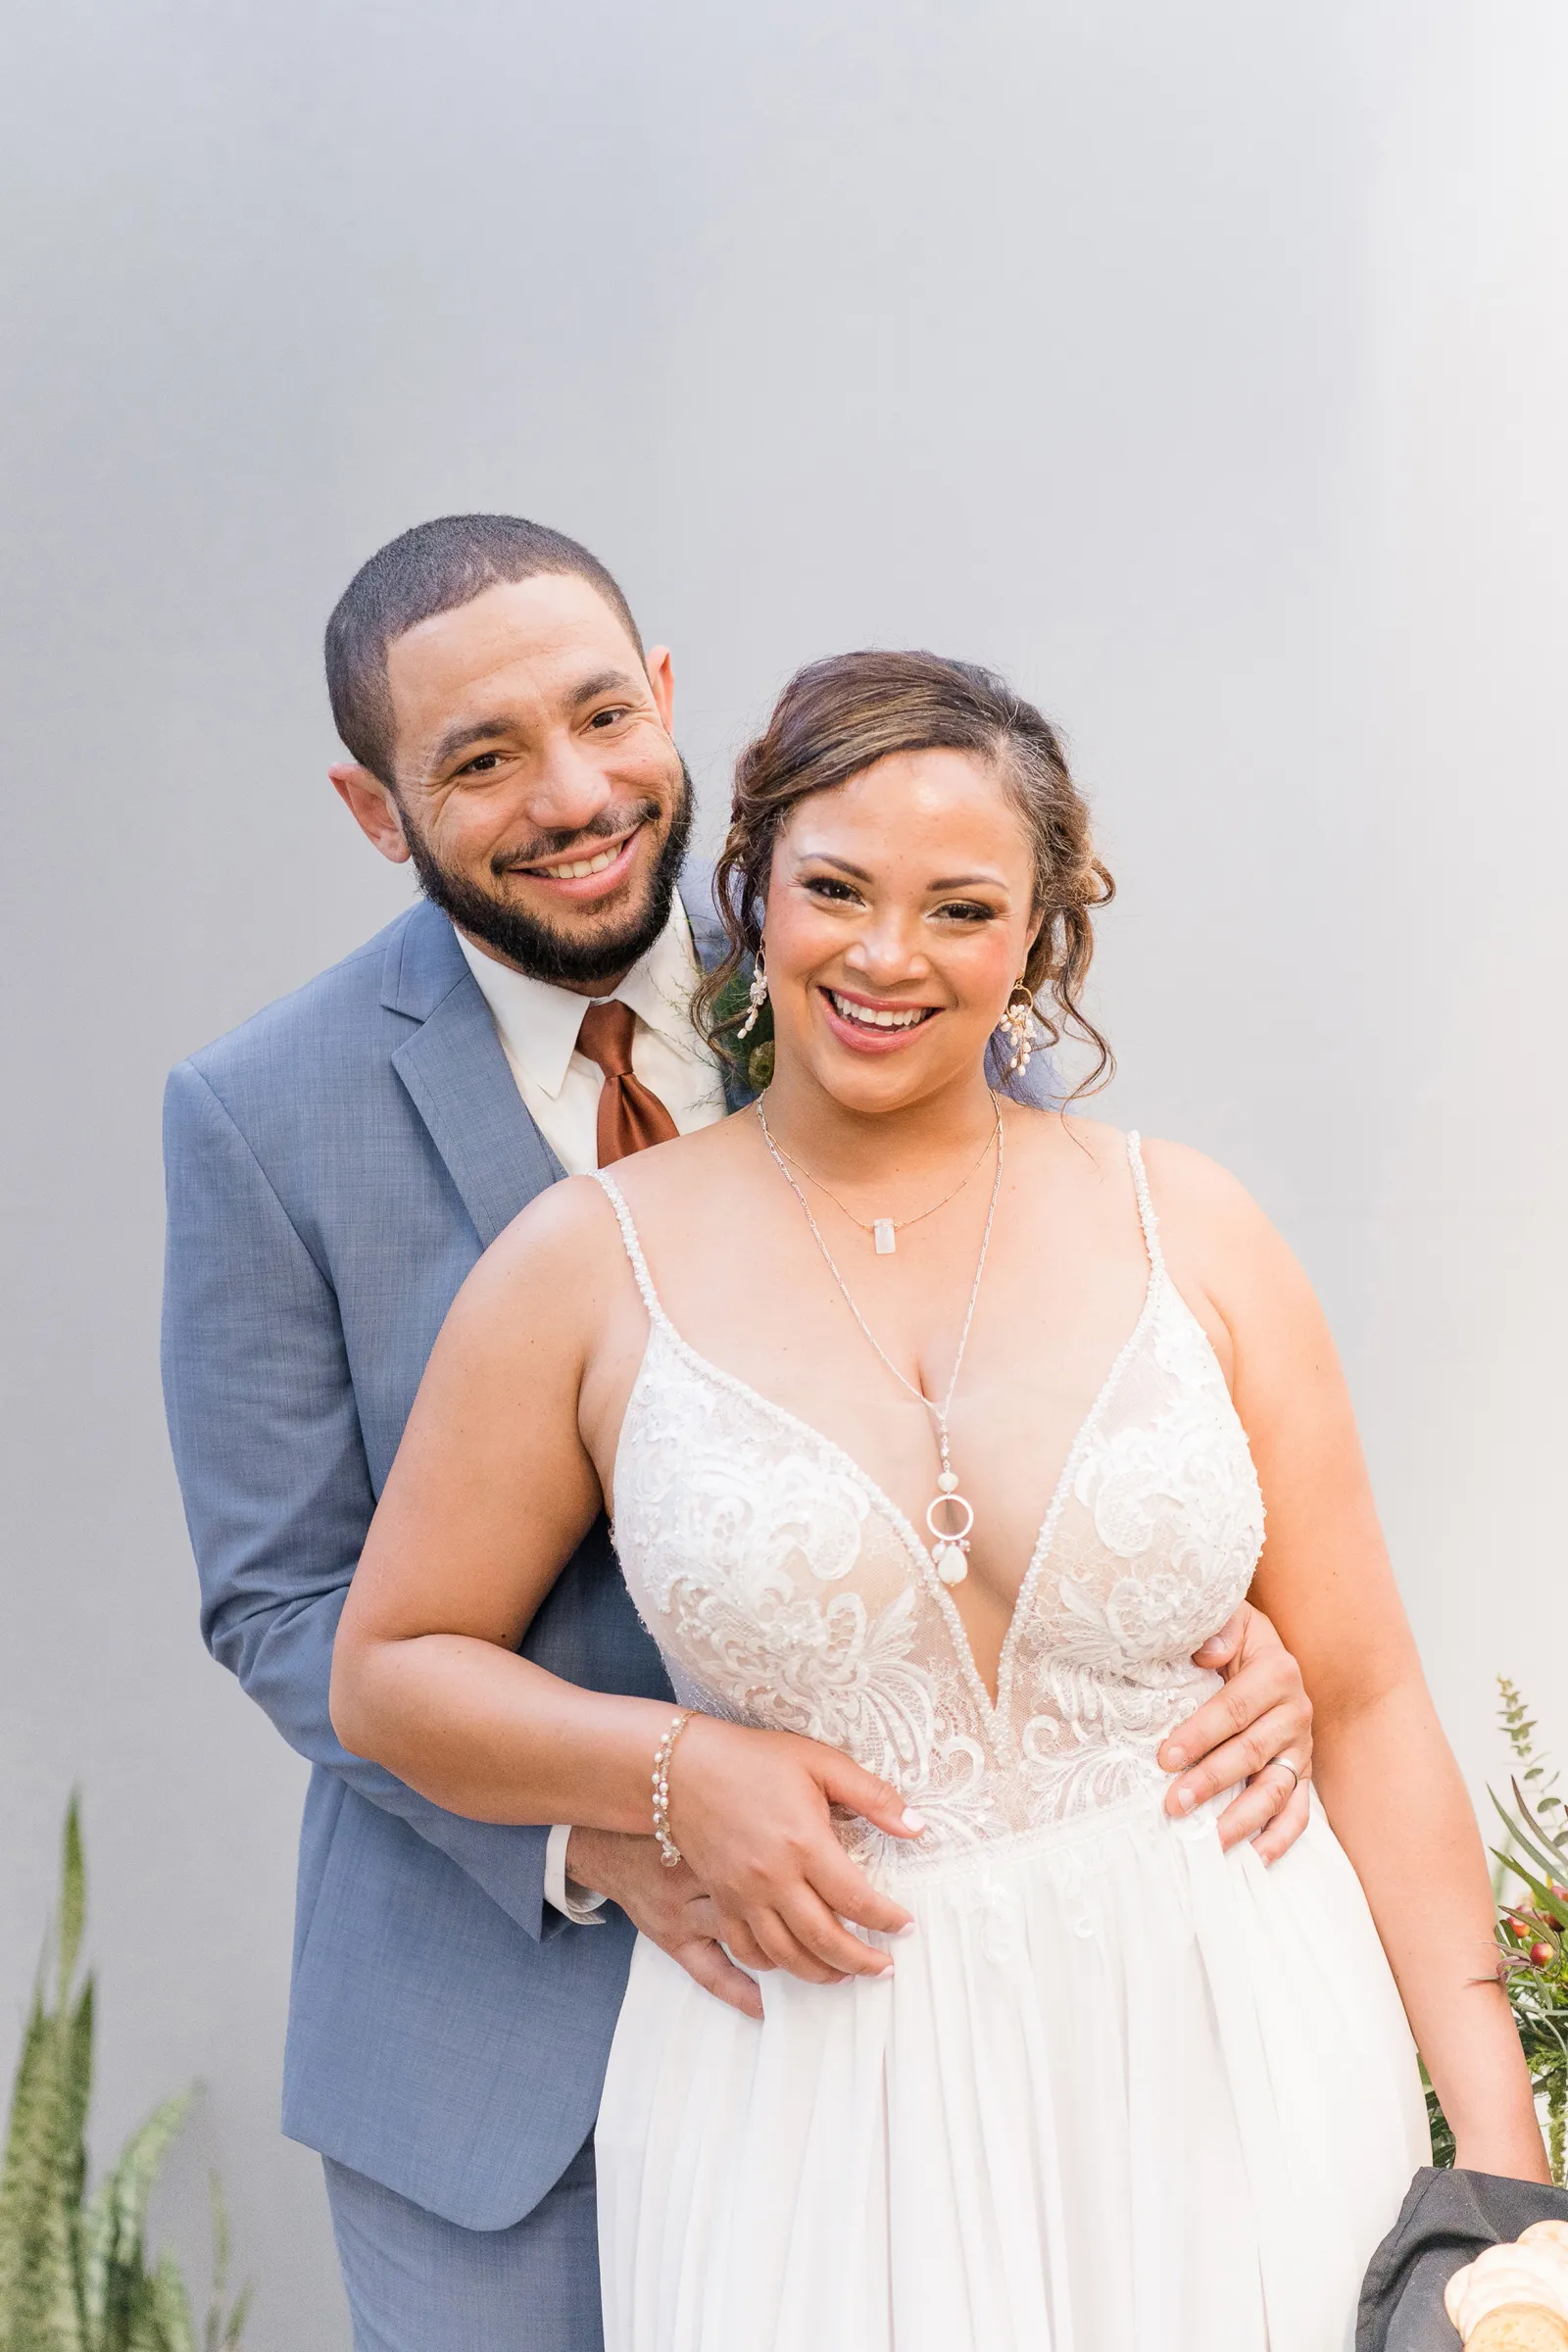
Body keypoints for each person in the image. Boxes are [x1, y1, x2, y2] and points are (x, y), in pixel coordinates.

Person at [162, 518, 1314, 2352]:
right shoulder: (260, 1115)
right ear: (376, 809)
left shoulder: (862, 938)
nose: (574, 795)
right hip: (496, 2045)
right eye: (481, 759)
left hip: (915, 2024)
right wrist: (626, 1800)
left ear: (666, 695)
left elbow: (1061, 1360)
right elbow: (287, 1604)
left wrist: (1231, 1637)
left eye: (603, 716)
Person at [330, 644, 1548, 2352]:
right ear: (752, 889)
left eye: (961, 910)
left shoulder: (1193, 1228)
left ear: (1038, 937)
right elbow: (389, 1673)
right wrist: (675, 1768)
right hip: (816, 2093)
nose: (887, 957)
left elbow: (1362, 1698)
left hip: (1234, 2034)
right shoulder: (583, 1270)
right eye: (835, 890)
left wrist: (1505, 2168)